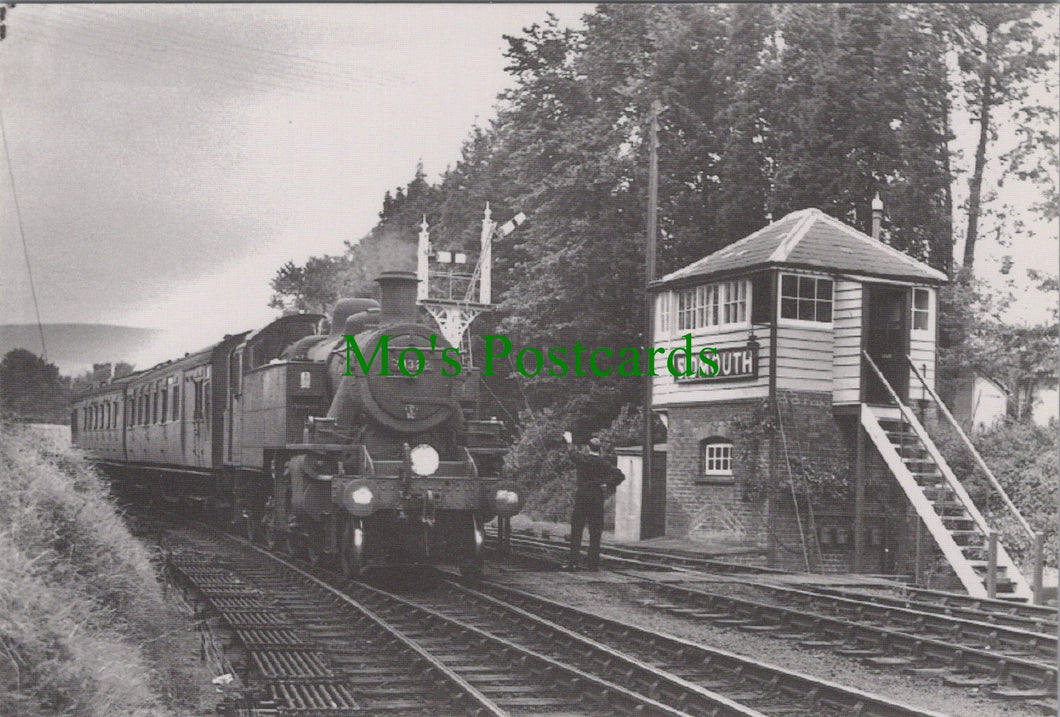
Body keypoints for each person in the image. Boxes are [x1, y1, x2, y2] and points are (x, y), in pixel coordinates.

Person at [564, 436, 625, 571]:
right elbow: (620, 475)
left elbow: (572, 453)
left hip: (582, 497)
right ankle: (593, 565)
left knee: (577, 530)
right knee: (596, 531)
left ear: (588, 447)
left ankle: (573, 563)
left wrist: (569, 440)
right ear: (600, 449)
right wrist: (605, 483)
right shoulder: (604, 463)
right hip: (597, 497)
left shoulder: (582, 460)